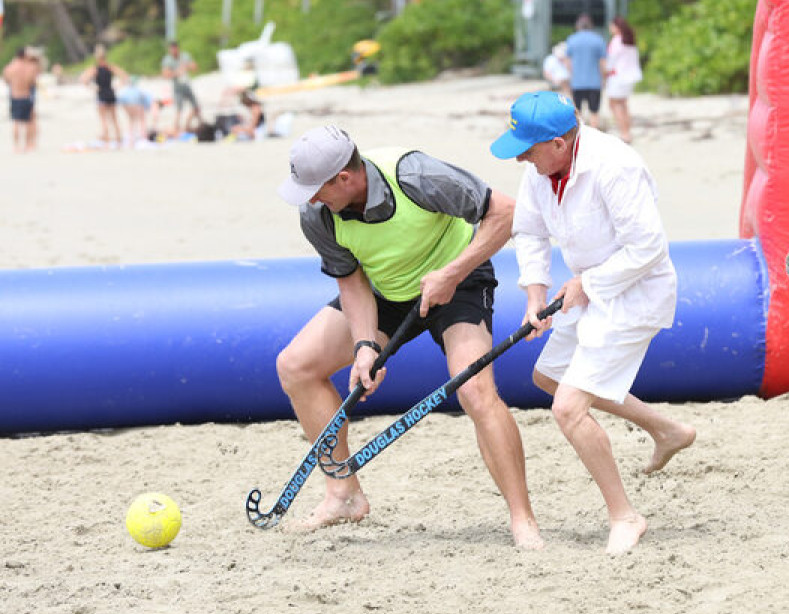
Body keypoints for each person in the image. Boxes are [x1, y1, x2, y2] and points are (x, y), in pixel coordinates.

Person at [275, 125, 543, 548]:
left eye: (314, 189)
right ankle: (343, 494)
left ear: (344, 178)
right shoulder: (317, 214)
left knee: (475, 391)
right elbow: (351, 282)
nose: (308, 199)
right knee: (296, 366)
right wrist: (365, 346)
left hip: (460, 281)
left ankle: (521, 517)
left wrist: (451, 273)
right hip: (388, 292)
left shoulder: (414, 175)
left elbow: (507, 213)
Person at [490, 92, 697, 553]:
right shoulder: (539, 169)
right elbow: (529, 231)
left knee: (568, 408)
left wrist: (587, 284)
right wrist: (535, 295)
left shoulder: (615, 166)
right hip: (586, 290)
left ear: (561, 144)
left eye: (528, 145)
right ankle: (666, 430)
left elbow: (648, 249)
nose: (520, 154)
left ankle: (625, 516)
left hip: (633, 292)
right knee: (547, 377)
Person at [78, 45, 128, 148]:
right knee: (114, 119)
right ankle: (118, 139)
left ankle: (107, 139)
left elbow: (83, 79)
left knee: (103, 119)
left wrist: (94, 88)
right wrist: (117, 86)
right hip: (111, 92)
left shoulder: (95, 69)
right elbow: (124, 76)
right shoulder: (110, 67)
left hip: (101, 93)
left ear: (96, 57)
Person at [565, 14, 607, 128]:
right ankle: (594, 136)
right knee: (594, 111)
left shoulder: (571, 39)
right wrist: (604, 78)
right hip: (594, 82)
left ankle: (581, 136)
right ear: (591, 26)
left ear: (578, 26)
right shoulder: (598, 40)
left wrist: (571, 76)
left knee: (578, 112)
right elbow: (603, 62)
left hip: (577, 82)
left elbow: (568, 62)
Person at [605, 16, 642, 144]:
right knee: (623, 104)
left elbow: (611, 61)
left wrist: (605, 72)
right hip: (630, 77)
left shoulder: (616, 41)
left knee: (614, 104)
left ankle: (624, 133)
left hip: (618, 77)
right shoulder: (630, 41)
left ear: (616, 27)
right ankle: (627, 132)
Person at [161, 41, 202, 135]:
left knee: (196, 107)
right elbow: (165, 74)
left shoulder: (185, 56)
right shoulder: (167, 60)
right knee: (179, 109)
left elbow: (195, 67)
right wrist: (177, 72)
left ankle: (187, 126)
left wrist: (187, 66)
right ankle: (176, 128)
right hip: (177, 87)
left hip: (186, 85)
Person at [3, 46, 39, 152]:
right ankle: (28, 144)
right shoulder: (30, 67)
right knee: (28, 121)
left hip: (14, 96)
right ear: (25, 56)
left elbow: (6, 80)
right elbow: (32, 81)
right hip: (26, 95)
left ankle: (16, 146)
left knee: (16, 122)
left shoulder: (9, 67)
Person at [117, 76, 155, 146]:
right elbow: (147, 99)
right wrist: (147, 108)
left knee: (131, 121)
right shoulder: (139, 90)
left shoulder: (125, 91)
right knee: (142, 120)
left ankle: (131, 139)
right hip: (137, 107)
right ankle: (143, 137)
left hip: (128, 108)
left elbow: (120, 100)